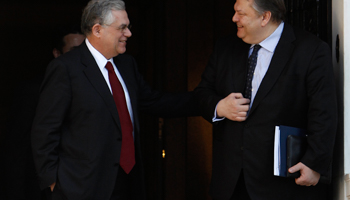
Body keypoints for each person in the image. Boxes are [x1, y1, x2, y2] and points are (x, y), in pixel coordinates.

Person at [31, 0, 196, 199]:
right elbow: (45, 131)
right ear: (98, 30)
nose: (128, 34)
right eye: (122, 28)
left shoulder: (127, 64)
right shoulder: (66, 68)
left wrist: (212, 104)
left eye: (128, 27)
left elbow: (155, 102)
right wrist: (53, 183)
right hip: (81, 187)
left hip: (127, 183)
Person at [194, 0, 337, 199]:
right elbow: (201, 94)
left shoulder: (310, 50)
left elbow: (324, 113)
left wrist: (314, 163)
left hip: (284, 185)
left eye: (240, 13)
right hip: (231, 184)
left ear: (265, 17)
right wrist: (220, 107)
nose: (234, 18)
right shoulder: (225, 47)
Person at [1, 26, 85, 200]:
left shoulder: (98, 89)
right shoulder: (33, 91)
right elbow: (17, 149)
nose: (81, 58)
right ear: (57, 53)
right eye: (74, 52)